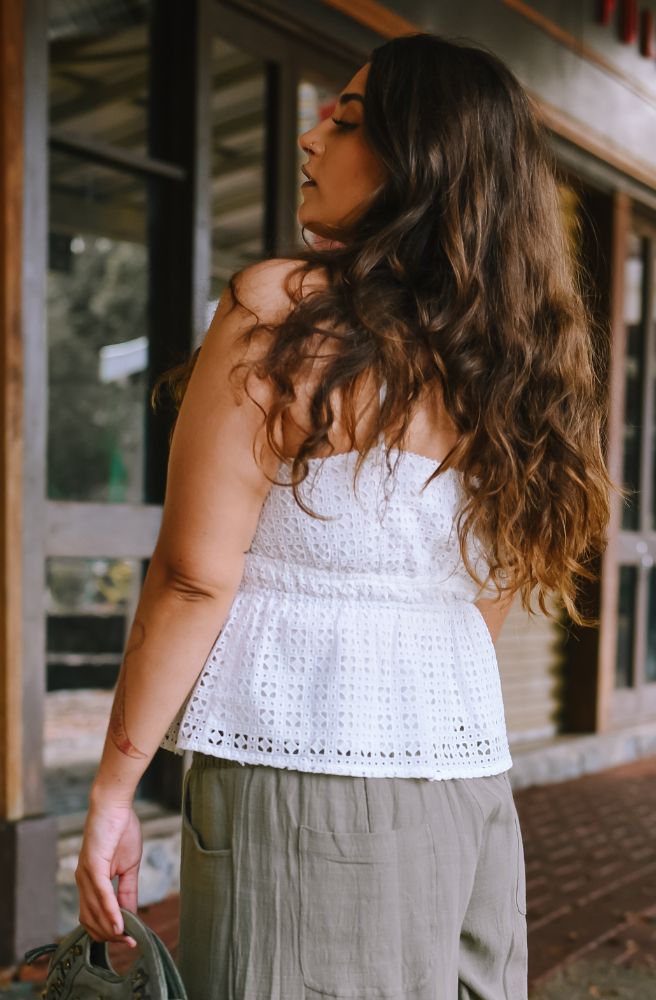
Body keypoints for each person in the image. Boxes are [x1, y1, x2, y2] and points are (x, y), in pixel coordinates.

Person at [74, 31, 622, 1000]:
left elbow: (195, 576)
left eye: (347, 118)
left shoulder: (282, 316)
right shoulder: (509, 364)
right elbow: (476, 598)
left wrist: (114, 792)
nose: (310, 137)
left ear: (423, 163)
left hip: (302, 781)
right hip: (468, 790)